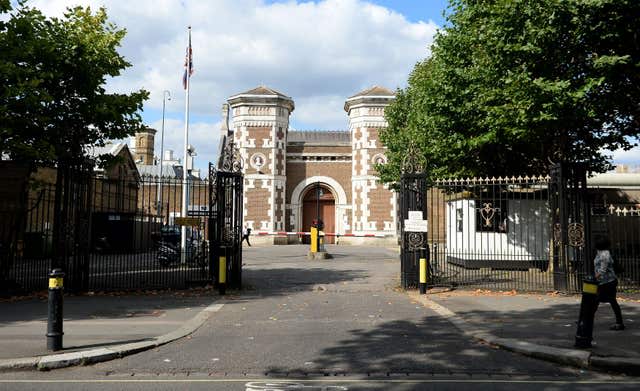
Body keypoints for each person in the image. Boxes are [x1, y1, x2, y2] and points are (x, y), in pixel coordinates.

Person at [593, 237, 625, 330]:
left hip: (608, 282)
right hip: (602, 282)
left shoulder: (605, 254)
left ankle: (620, 323)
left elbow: (603, 270)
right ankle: (586, 319)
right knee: (596, 301)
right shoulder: (599, 252)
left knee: (609, 301)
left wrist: (594, 278)